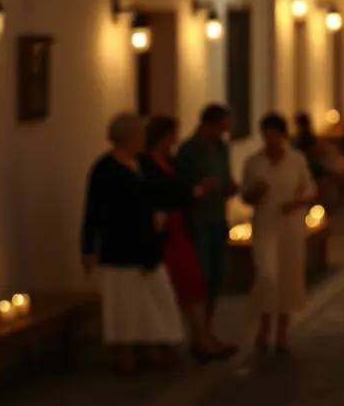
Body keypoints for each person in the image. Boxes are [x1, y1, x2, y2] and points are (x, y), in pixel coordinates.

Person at [81, 113, 186, 374]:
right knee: (123, 301)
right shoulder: (105, 169)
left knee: (154, 295)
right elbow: (93, 210)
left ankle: (151, 343)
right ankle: (123, 351)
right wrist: (87, 247)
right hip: (120, 242)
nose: (143, 140)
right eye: (139, 135)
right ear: (127, 136)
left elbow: (160, 190)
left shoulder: (141, 163)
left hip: (147, 242)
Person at [140, 116, 237, 363]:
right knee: (181, 284)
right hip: (165, 230)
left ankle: (201, 337)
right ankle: (189, 340)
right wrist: (195, 192)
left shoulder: (170, 160)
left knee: (193, 284)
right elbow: (161, 193)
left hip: (179, 226)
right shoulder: (148, 164)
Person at [240, 113, 318, 355]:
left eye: (274, 135)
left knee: (288, 275)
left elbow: (309, 189)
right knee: (267, 273)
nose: (269, 140)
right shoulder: (253, 162)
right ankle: (264, 325)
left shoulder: (296, 160)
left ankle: (282, 330)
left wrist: (295, 203)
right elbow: (245, 196)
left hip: (290, 226)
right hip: (265, 223)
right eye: (265, 135)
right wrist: (255, 192)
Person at [174, 104, 238, 323]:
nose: (224, 132)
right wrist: (199, 189)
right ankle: (198, 328)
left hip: (218, 217)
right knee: (201, 275)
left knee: (218, 276)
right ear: (208, 125)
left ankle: (208, 325)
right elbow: (180, 189)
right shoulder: (188, 151)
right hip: (198, 220)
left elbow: (226, 178)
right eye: (221, 127)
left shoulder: (222, 148)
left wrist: (230, 187)